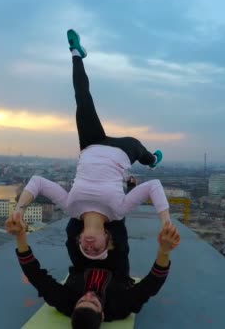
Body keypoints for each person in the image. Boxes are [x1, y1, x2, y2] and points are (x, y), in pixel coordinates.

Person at [12, 29, 170, 277]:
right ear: (107, 238)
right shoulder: (117, 212)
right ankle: (152, 161)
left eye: (85, 250)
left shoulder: (72, 208)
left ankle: (76, 53)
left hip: (91, 145)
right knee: (140, 148)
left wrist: (19, 211)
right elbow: (153, 187)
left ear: (78, 240)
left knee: (82, 99)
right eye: (96, 250)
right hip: (121, 152)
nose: (89, 247)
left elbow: (38, 182)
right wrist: (165, 221)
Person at [5, 216, 180, 327]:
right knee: (114, 224)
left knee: (74, 227)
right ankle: (120, 184)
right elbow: (152, 284)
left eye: (82, 301)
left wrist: (20, 236)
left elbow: (35, 275)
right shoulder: (120, 307)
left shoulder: (64, 302)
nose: (88, 295)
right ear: (102, 314)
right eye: (94, 303)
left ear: (73, 308)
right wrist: (164, 251)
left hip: (82, 263)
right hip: (115, 263)